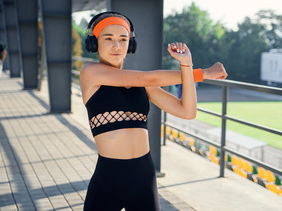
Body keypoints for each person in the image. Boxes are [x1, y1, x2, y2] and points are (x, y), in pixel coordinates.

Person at [80, 11, 227, 211]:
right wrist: (205, 74)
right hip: (109, 176)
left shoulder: (142, 85)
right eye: (108, 38)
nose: (117, 45)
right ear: (94, 42)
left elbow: (187, 112)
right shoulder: (90, 73)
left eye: (123, 39)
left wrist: (186, 64)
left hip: (143, 175)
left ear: (130, 45)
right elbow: (150, 78)